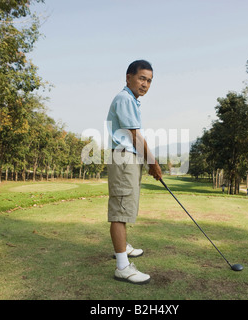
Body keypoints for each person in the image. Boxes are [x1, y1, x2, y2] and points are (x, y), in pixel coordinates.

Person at [106, 60, 162, 285]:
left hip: (128, 157)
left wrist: (147, 162)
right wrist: (153, 163)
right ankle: (122, 266)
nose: (145, 84)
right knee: (120, 210)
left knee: (126, 204)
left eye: (149, 81)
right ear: (128, 77)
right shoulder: (125, 98)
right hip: (123, 157)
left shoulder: (132, 100)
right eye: (141, 78)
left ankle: (124, 247)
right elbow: (135, 136)